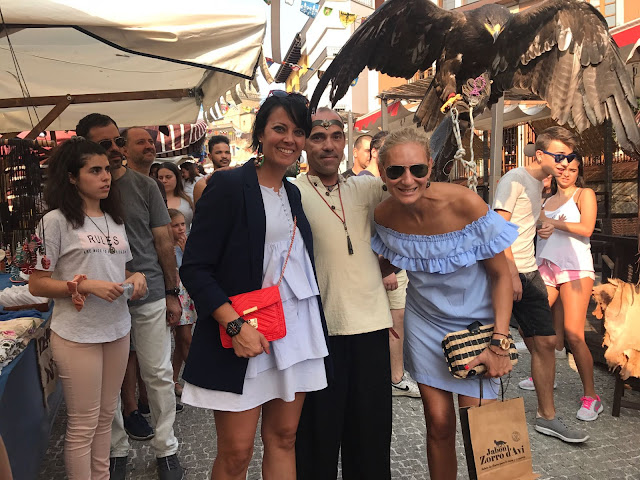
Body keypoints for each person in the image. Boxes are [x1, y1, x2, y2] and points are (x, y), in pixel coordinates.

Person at [179, 92, 330, 480]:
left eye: (299, 131)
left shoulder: (292, 192)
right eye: (280, 128)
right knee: (237, 452)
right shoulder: (228, 186)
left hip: (293, 329)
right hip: (242, 330)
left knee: (284, 436)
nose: (290, 139)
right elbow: (195, 268)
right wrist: (234, 326)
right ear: (259, 133)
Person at [370, 128, 516, 479]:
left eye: (417, 170)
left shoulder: (464, 203)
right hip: (425, 325)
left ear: (430, 168)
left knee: (484, 425)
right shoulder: (384, 216)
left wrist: (499, 342)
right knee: (437, 423)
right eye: (396, 172)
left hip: (477, 325)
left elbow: (501, 276)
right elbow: (385, 263)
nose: (408, 180)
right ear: (382, 172)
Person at [29, 138, 147, 479]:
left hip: (117, 329)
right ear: (71, 177)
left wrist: (136, 277)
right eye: (94, 170)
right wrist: (83, 286)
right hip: (77, 334)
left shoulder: (115, 218)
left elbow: (116, 271)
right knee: (83, 425)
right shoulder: (53, 221)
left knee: (106, 418)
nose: (105, 177)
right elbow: (36, 284)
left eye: (106, 169)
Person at [76, 113, 184, 480]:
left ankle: (167, 448)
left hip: (149, 290)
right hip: (103, 297)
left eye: (117, 142)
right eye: (103, 145)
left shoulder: (144, 186)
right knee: (110, 379)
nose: (114, 150)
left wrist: (172, 291)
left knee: (157, 371)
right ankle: (116, 449)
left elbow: (163, 241)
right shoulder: (81, 193)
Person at [294, 108, 394, 480]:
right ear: (304, 142)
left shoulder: (367, 187)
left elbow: (413, 197)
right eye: (318, 137)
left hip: (370, 328)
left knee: (370, 438)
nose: (328, 145)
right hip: (318, 333)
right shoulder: (291, 193)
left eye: (336, 136)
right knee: (317, 441)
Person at [493, 125, 589, 443]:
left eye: (570, 157)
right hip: (510, 273)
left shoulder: (539, 185)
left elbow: (521, 223)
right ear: (541, 153)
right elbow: (498, 227)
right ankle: (482, 415)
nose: (564, 163)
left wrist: (539, 226)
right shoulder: (515, 179)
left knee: (546, 343)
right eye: (559, 156)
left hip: (530, 271)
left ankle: (546, 417)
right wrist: (508, 271)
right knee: (494, 341)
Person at [534, 154, 601, 420]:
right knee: (536, 324)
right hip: (546, 265)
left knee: (574, 335)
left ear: (578, 172)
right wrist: (541, 227)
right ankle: (543, 375)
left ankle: (591, 396)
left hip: (574, 267)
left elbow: (586, 228)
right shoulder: (545, 199)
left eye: (573, 170)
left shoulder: (584, 194)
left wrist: (553, 223)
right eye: (563, 169)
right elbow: (538, 225)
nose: (567, 173)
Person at [168, 209, 196, 397]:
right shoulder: (165, 245)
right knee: (185, 338)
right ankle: (198, 375)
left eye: (182, 224)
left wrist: (187, 251)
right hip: (174, 292)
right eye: (175, 225)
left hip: (187, 293)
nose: (180, 229)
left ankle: (173, 378)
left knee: (181, 339)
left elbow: (195, 266)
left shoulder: (188, 242)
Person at [192, 136, 231, 204]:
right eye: (219, 152)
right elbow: (200, 213)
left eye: (227, 152)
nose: (224, 156)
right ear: (210, 156)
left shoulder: (240, 178)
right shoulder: (203, 184)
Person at [158, 162, 194, 234]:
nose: (164, 181)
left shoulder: (189, 199)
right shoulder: (153, 201)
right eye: (160, 178)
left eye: (168, 177)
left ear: (177, 178)